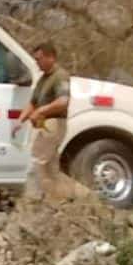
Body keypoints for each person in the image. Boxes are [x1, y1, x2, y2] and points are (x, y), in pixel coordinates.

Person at [14, 41, 87, 202]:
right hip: (43, 124)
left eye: (39, 59)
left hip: (53, 124)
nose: (37, 63)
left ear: (51, 57)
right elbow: (33, 102)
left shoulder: (60, 76)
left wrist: (41, 111)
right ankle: (70, 198)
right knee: (51, 169)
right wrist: (20, 120)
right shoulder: (43, 79)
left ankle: (31, 201)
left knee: (37, 162)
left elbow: (62, 101)